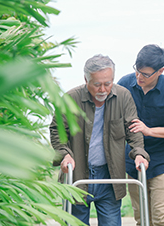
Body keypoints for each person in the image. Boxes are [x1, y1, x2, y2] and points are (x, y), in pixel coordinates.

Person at [50, 54, 150, 226]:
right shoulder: (70, 98)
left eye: (108, 83)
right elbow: (57, 131)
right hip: (78, 173)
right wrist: (65, 155)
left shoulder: (123, 97)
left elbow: (133, 130)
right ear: (86, 80)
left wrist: (139, 154)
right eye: (97, 84)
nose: (103, 89)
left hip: (110, 176)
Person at [118, 44, 164, 226]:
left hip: (162, 162)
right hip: (133, 160)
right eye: (137, 71)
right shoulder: (123, 85)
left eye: (145, 74)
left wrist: (149, 130)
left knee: (161, 218)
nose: (139, 77)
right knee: (142, 217)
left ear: (160, 71)